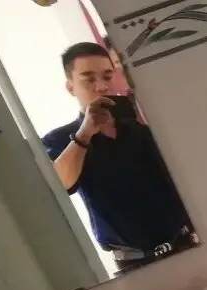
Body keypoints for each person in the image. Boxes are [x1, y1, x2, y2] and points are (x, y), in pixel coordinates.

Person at [42, 42, 196, 271]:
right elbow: (61, 186)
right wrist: (85, 133)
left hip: (186, 242)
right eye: (89, 79)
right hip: (133, 262)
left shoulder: (141, 129)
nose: (101, 86)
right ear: (70, 87)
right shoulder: (59, 139)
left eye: (107, 76)